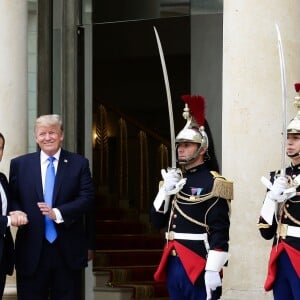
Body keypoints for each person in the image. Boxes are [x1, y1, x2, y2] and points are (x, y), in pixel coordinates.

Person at [150, 95, 233, 300]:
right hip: (173, 262)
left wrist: (213, 269)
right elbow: (156, 221)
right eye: (180, 144)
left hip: (199, 263)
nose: (181, 149)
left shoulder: (214, 183)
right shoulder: (175, 180)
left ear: (202, 148)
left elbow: (219, 230)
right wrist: (164, 191)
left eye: (187, 145)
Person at [9, 114, 95, 300]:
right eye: (42, 134)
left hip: (67, 250)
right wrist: (16, 211)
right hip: (31, 250)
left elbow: (87, 198)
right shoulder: (19, 165)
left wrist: (58, 212)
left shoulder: (79, 163)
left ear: (61, 135)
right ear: (35, 137)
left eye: (52, 133)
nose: (47, 137)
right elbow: (13, 197)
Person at [258, 83, 300, 299]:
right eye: (288, 137)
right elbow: (265, 231)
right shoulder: (278, 177)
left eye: (296, 138)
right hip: (281, 252)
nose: (289, 143)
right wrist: (272, 199)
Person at [0, 132, 28, 298]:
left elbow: (10, 206)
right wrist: (11, 219)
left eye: (0, 148)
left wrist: (16, 211)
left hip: (2, 257)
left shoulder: (2, 179)